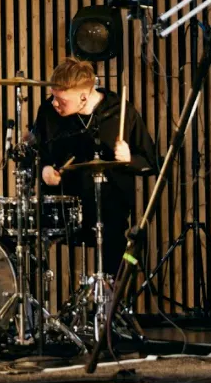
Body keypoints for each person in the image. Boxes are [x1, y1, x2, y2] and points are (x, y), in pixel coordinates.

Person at [32, 57, 158, 276]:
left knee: (115, 246)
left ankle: (111, 295)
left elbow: (151, 162)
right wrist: (43, 170)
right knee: (9, 228)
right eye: (53, 96)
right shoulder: (48, 112)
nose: (54, 103)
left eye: (61, 99)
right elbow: (33, 153)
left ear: (83, 96)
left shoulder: (120, 111)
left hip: (108, 212)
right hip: (61, 209)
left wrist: (129, 158)